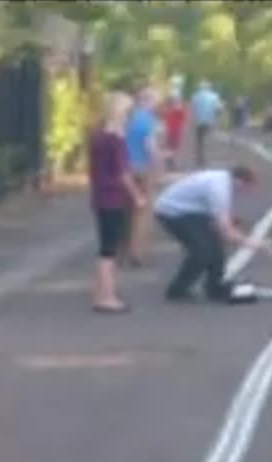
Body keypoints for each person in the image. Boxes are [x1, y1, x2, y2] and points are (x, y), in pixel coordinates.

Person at [153, 164, 272, 304]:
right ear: (239, 181)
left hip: (192, 211)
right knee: (202, 250)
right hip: (172, 212)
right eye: (247, 188)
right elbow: (226, 231)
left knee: (215, 245)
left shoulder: (223, 179)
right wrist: (256, 244)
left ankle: (214, 286)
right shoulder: (219, 189)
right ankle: (177, 290)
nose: (246, 193)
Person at [87, 92, 146, 313]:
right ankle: (107, 297)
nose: (130, 117)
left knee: (104, 247)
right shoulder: (116, 140)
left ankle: (100, 293)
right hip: (114, 197)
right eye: (129, 112)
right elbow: (123, 173)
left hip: (100, 196)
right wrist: (137, 196)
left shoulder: (98, 136)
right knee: (109, 250)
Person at [123, 87, 163, 266]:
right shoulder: (149, 121)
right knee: (141, 212)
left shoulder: (126, 119)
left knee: (123, 210)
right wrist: (159, 165)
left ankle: (119, 249)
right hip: (142, 169)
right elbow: (150, 146)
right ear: (148, 101)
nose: (156, 106)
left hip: (123, 169)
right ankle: (136, 252)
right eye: (155, 102)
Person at [190, 80, 223, 168]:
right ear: (209, 87)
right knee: (209, 140)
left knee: (199, 141)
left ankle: (200, 158)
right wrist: (218, 119)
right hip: (210, 121)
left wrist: (193, 119)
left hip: (199, 121)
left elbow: (192, 109)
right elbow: (219, 109)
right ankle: (208, 158)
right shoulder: (214, 96)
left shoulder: (195, 96)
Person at [161, 92, 188, 172]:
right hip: (172, 131)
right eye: (175, 101)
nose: (177, 102)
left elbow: (184, 118)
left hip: (175, 131)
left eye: (177, 101)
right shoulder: (172, 109)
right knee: (172, 148)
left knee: (173, 148)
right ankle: (169, 162)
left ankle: (169, 161)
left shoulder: (176, 109)